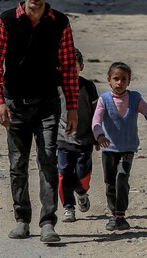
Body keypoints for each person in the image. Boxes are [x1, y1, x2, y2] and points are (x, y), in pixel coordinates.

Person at [0, 0, 79, 243]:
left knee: (49, 160)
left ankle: (48, 222)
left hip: (48, 105)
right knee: (18, 164)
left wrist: (72, 107)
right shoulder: (6, 21)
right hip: (15, 104)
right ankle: (22, 219)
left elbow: (68, 69)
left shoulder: (59, 22)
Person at [92, 62, 147, 231]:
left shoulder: (135, 98)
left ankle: (120, 215)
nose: (119, 83)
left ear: (129, 81)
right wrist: (99, 135)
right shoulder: (104, 99)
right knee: (110, 182)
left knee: (122, 177)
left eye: (123, 79)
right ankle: (113, 213)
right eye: (116, 79)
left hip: (127, 148)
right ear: (109, 80)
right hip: (108, 149)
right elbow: (96, 120)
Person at [57, 49, 99, 223]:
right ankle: (68, 207)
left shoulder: (88, 86)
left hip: (85, 139)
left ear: (81, 66)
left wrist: (98, 135)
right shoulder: (56, 86)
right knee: (64, 172)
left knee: (81, 173)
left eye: (73, 66)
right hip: (62, 138)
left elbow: (97, 111)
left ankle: (81, 193)